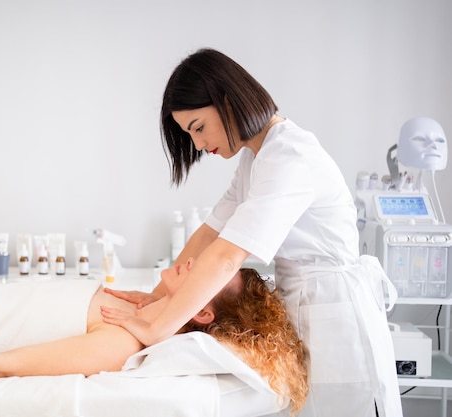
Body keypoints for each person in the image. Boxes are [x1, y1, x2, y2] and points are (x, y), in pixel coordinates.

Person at [101, 48, 402, 417]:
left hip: (338, 318)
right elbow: (210, 234)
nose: (197, 145)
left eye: (198, 127)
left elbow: (228, 255)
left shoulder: (291, 156)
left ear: (228, 102)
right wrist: (157, 297)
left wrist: (160, 327)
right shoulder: (255, 158)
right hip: (308, 306)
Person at [0, 263, 308, 414]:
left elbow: (4, 364)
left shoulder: (124, 341)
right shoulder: (141, 308)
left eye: (207, 274)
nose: (197, 261)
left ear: (201, 310)